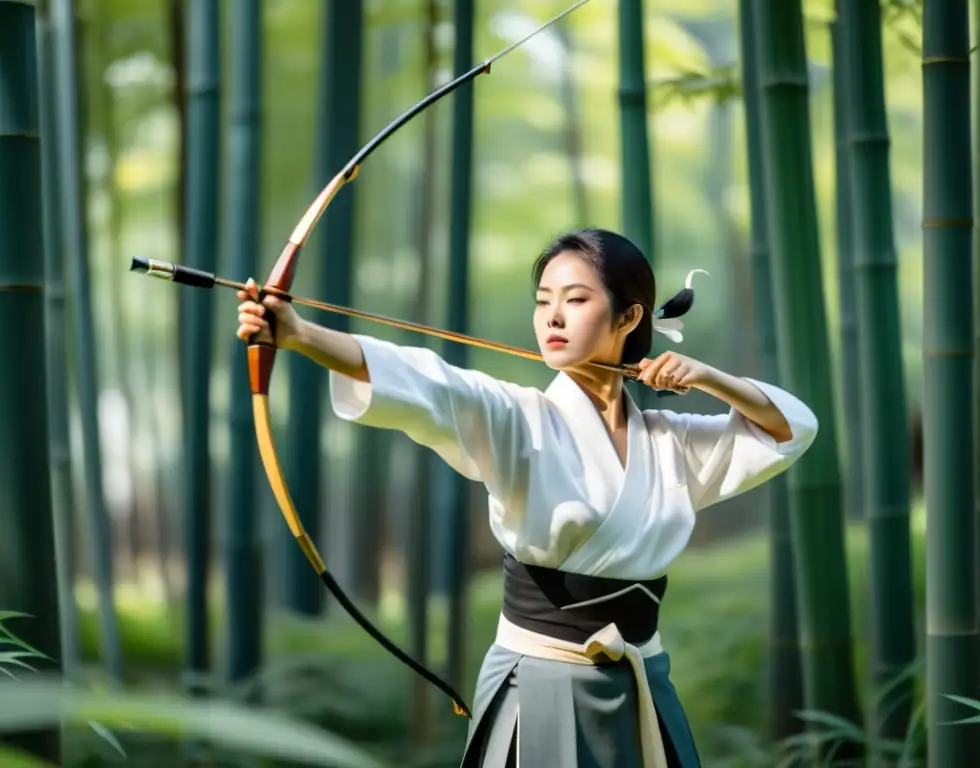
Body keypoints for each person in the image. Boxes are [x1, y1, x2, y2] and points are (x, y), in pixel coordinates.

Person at [236, 228, 817, 768]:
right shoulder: (517, 417)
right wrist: (298, 334)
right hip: (538, 684)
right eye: (543, 301)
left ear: (630, 315)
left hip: (643, 683)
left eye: (576, 299)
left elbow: (791, 427)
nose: (552, 317)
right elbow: (430, 382)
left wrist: (709, 378)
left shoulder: (669, 440)